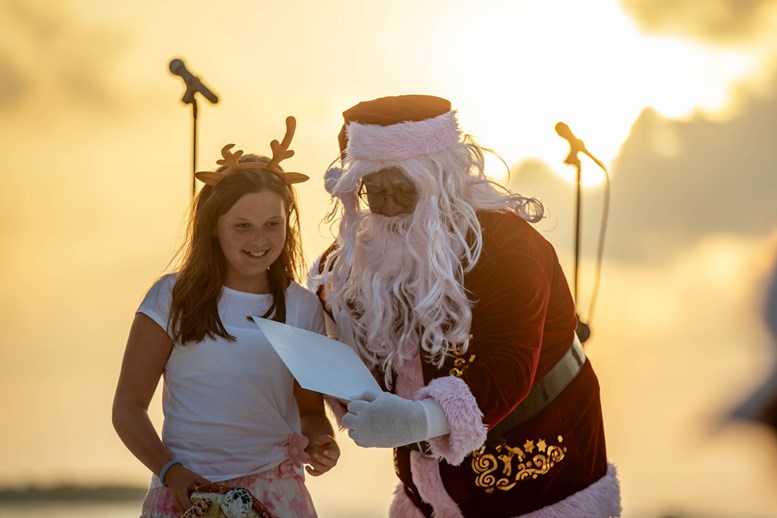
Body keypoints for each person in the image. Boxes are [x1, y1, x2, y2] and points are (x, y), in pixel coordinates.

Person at [311, 95, 621, 517]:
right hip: (427, 497)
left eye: (402, 188)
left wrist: (420, 422)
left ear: (439, 179)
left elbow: (509, 362)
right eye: (373, 192)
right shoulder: (355, 259)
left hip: (540, 489)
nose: (387, 208)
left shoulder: (510, 246)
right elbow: (325, 331)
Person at [113, 116, 340, 518]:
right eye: (242, 226)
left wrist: (322, 443)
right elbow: (128, 408)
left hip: (277, 494)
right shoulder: (172, 297)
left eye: (273, 225)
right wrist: (171, 472)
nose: (259, 240)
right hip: (184, 493)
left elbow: (309, 411)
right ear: (213, 227)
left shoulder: (303, 307)